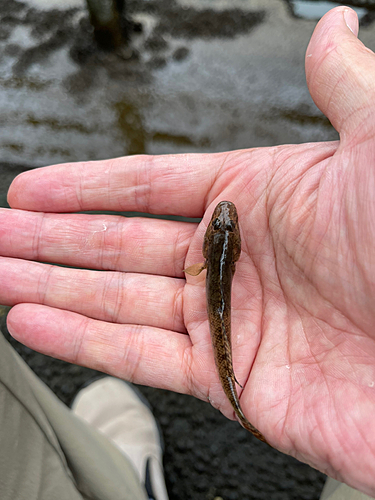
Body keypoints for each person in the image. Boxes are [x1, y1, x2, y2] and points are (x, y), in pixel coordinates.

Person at [0, 5, 374, 499]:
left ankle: (116, 477)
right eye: (226, 224)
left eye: (225, 224)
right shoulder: (225, 254)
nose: (225, 218)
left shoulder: (220, 254)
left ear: (229, 247)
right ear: (235, 248)